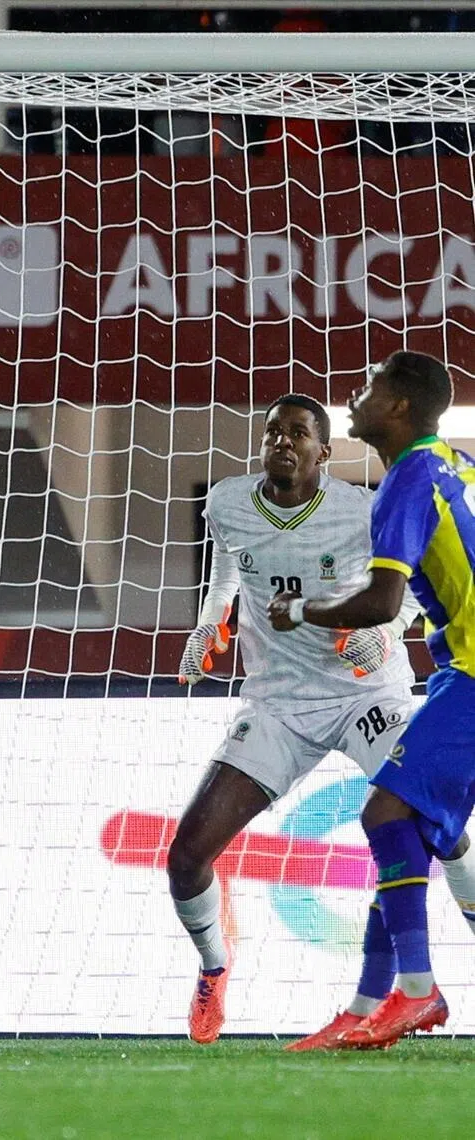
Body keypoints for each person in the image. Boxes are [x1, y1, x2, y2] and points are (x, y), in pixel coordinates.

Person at [173, 392, 475, 1046]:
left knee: (434, 827)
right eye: (273, 432)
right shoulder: (228, 501)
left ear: (322, 449)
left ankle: (396, 997)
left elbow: (409, 588)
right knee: (187, 858)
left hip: (365, 693)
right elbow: (229, 561)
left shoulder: (362, 510)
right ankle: (214, 965)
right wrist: (209, 622)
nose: (283, 442)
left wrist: (391, 630)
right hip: (279, 702)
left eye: (298, 433)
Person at [270, 352, 475, 1050]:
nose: (354, 398)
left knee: (386, 812)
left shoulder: (408, 480)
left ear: (397, 407)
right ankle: (367, 1003)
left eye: (368, 387)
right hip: (462, 668)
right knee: (409, 834)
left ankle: (417, 994)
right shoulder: (455, 465)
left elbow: (382, 598)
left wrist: (301, 612)